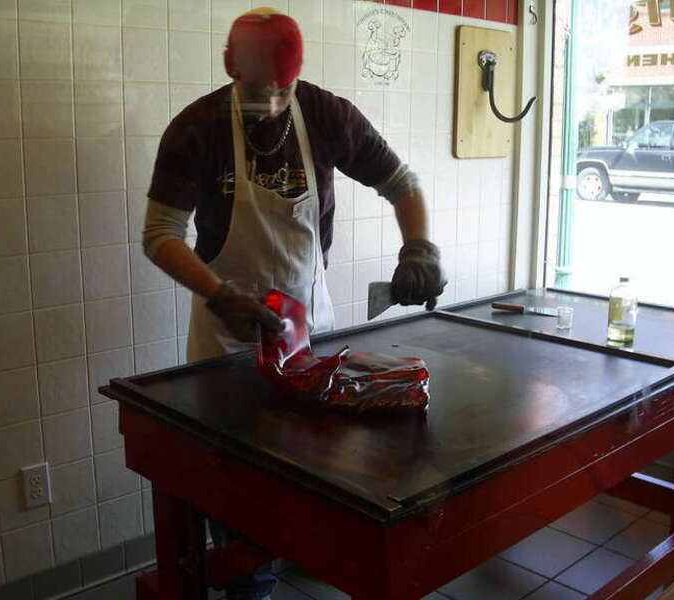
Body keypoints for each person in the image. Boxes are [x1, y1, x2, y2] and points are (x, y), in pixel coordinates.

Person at [143, 7, 446, 599]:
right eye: (258, 89)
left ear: (297, 75)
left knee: (315, 458)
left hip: (311, 325)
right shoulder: (197, 128)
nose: (271, 103)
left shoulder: (327, 114)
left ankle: (303, 550)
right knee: (233, 476)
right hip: (227, 332)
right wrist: (219, 294)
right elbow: (160, 235)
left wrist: (419, 248)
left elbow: (402, 182)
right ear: (231, 66)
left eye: (282, 88)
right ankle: (248, 579)